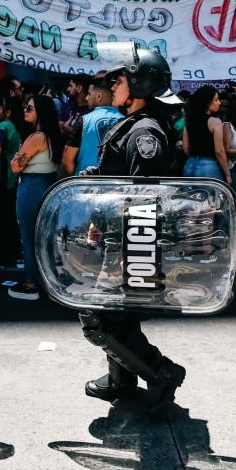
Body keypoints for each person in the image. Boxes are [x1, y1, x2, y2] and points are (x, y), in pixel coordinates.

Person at [79, 43, 186, 413]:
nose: (112, 83)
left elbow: (143, 200)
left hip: (131, 241)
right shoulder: (132, 123)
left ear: (139, 84)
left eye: (118, 77)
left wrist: (127, 253)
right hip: (117, 235)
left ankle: (161, 372)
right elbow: (117, 182)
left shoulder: (146, 133)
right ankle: (121, 380)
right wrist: (98, 219)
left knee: (99, 319)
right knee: (118, 315)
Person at [9, 95, 62, 300]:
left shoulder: (37, 137)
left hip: (31, 187)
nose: (25, 110)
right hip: (47, 185)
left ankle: (30, 284)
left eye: (29, 108)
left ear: (41, 111)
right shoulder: (52, 135)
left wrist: (17, 157)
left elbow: (15, 166)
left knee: (29, 237)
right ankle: (46, 280)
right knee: (44, 237)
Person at [61, 72, 123, 175]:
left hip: (84, 183)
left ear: (99, 96)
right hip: (114, 184)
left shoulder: (84, 120)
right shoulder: (125, 120)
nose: (86, 98)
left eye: (89, 94)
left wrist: (76, 177)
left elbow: (67, 159)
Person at [0, 94, 22, 266]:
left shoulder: (5, 125)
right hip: (4, 178)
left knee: (4, 218)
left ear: (7, 112)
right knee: (7, 217)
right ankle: (14, 252)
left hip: (5, 179)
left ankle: (7, 255)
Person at [182, 86, 232, 187]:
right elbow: (219, 151)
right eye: (216, 100)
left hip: (189, 165)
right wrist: (228, 175)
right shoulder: (215, 121)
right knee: (213, 201)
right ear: (207, 102)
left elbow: (185, 147)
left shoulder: (189, 120)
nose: (219, 103)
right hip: (209, 168)